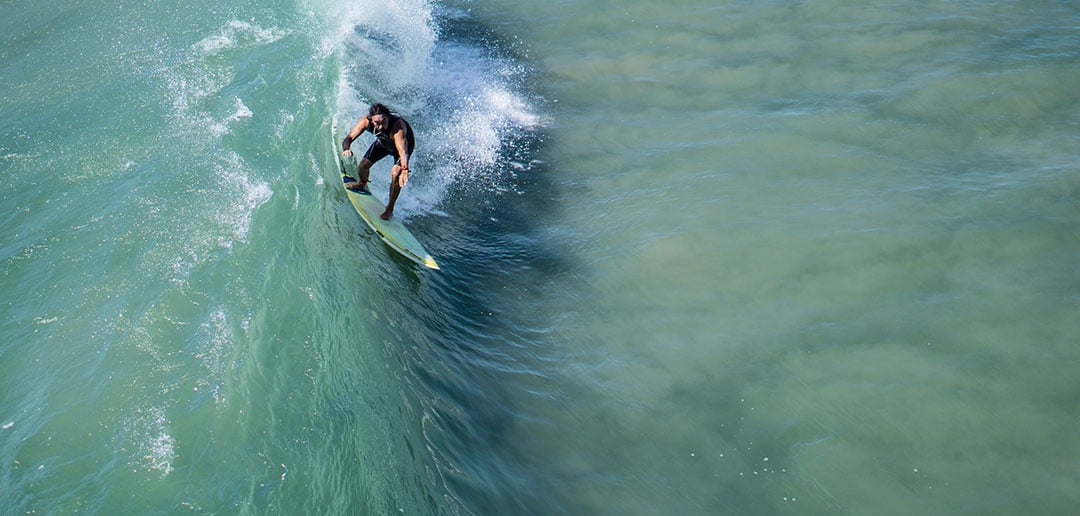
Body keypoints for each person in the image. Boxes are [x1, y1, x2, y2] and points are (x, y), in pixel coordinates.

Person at [341, 103, 416, 220]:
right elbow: (349, 138)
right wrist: (346, 148)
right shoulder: (366, 122)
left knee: (396, 174)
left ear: (388, 117)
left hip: (402, 149)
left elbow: (403, 151)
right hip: (384, 143)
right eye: (376, 123)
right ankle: (362, 184)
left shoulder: (397, 127)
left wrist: (405, 168)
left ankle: (389, 209)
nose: (380, 127)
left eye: (382, 122)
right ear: (371, 119)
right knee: (363, 166)